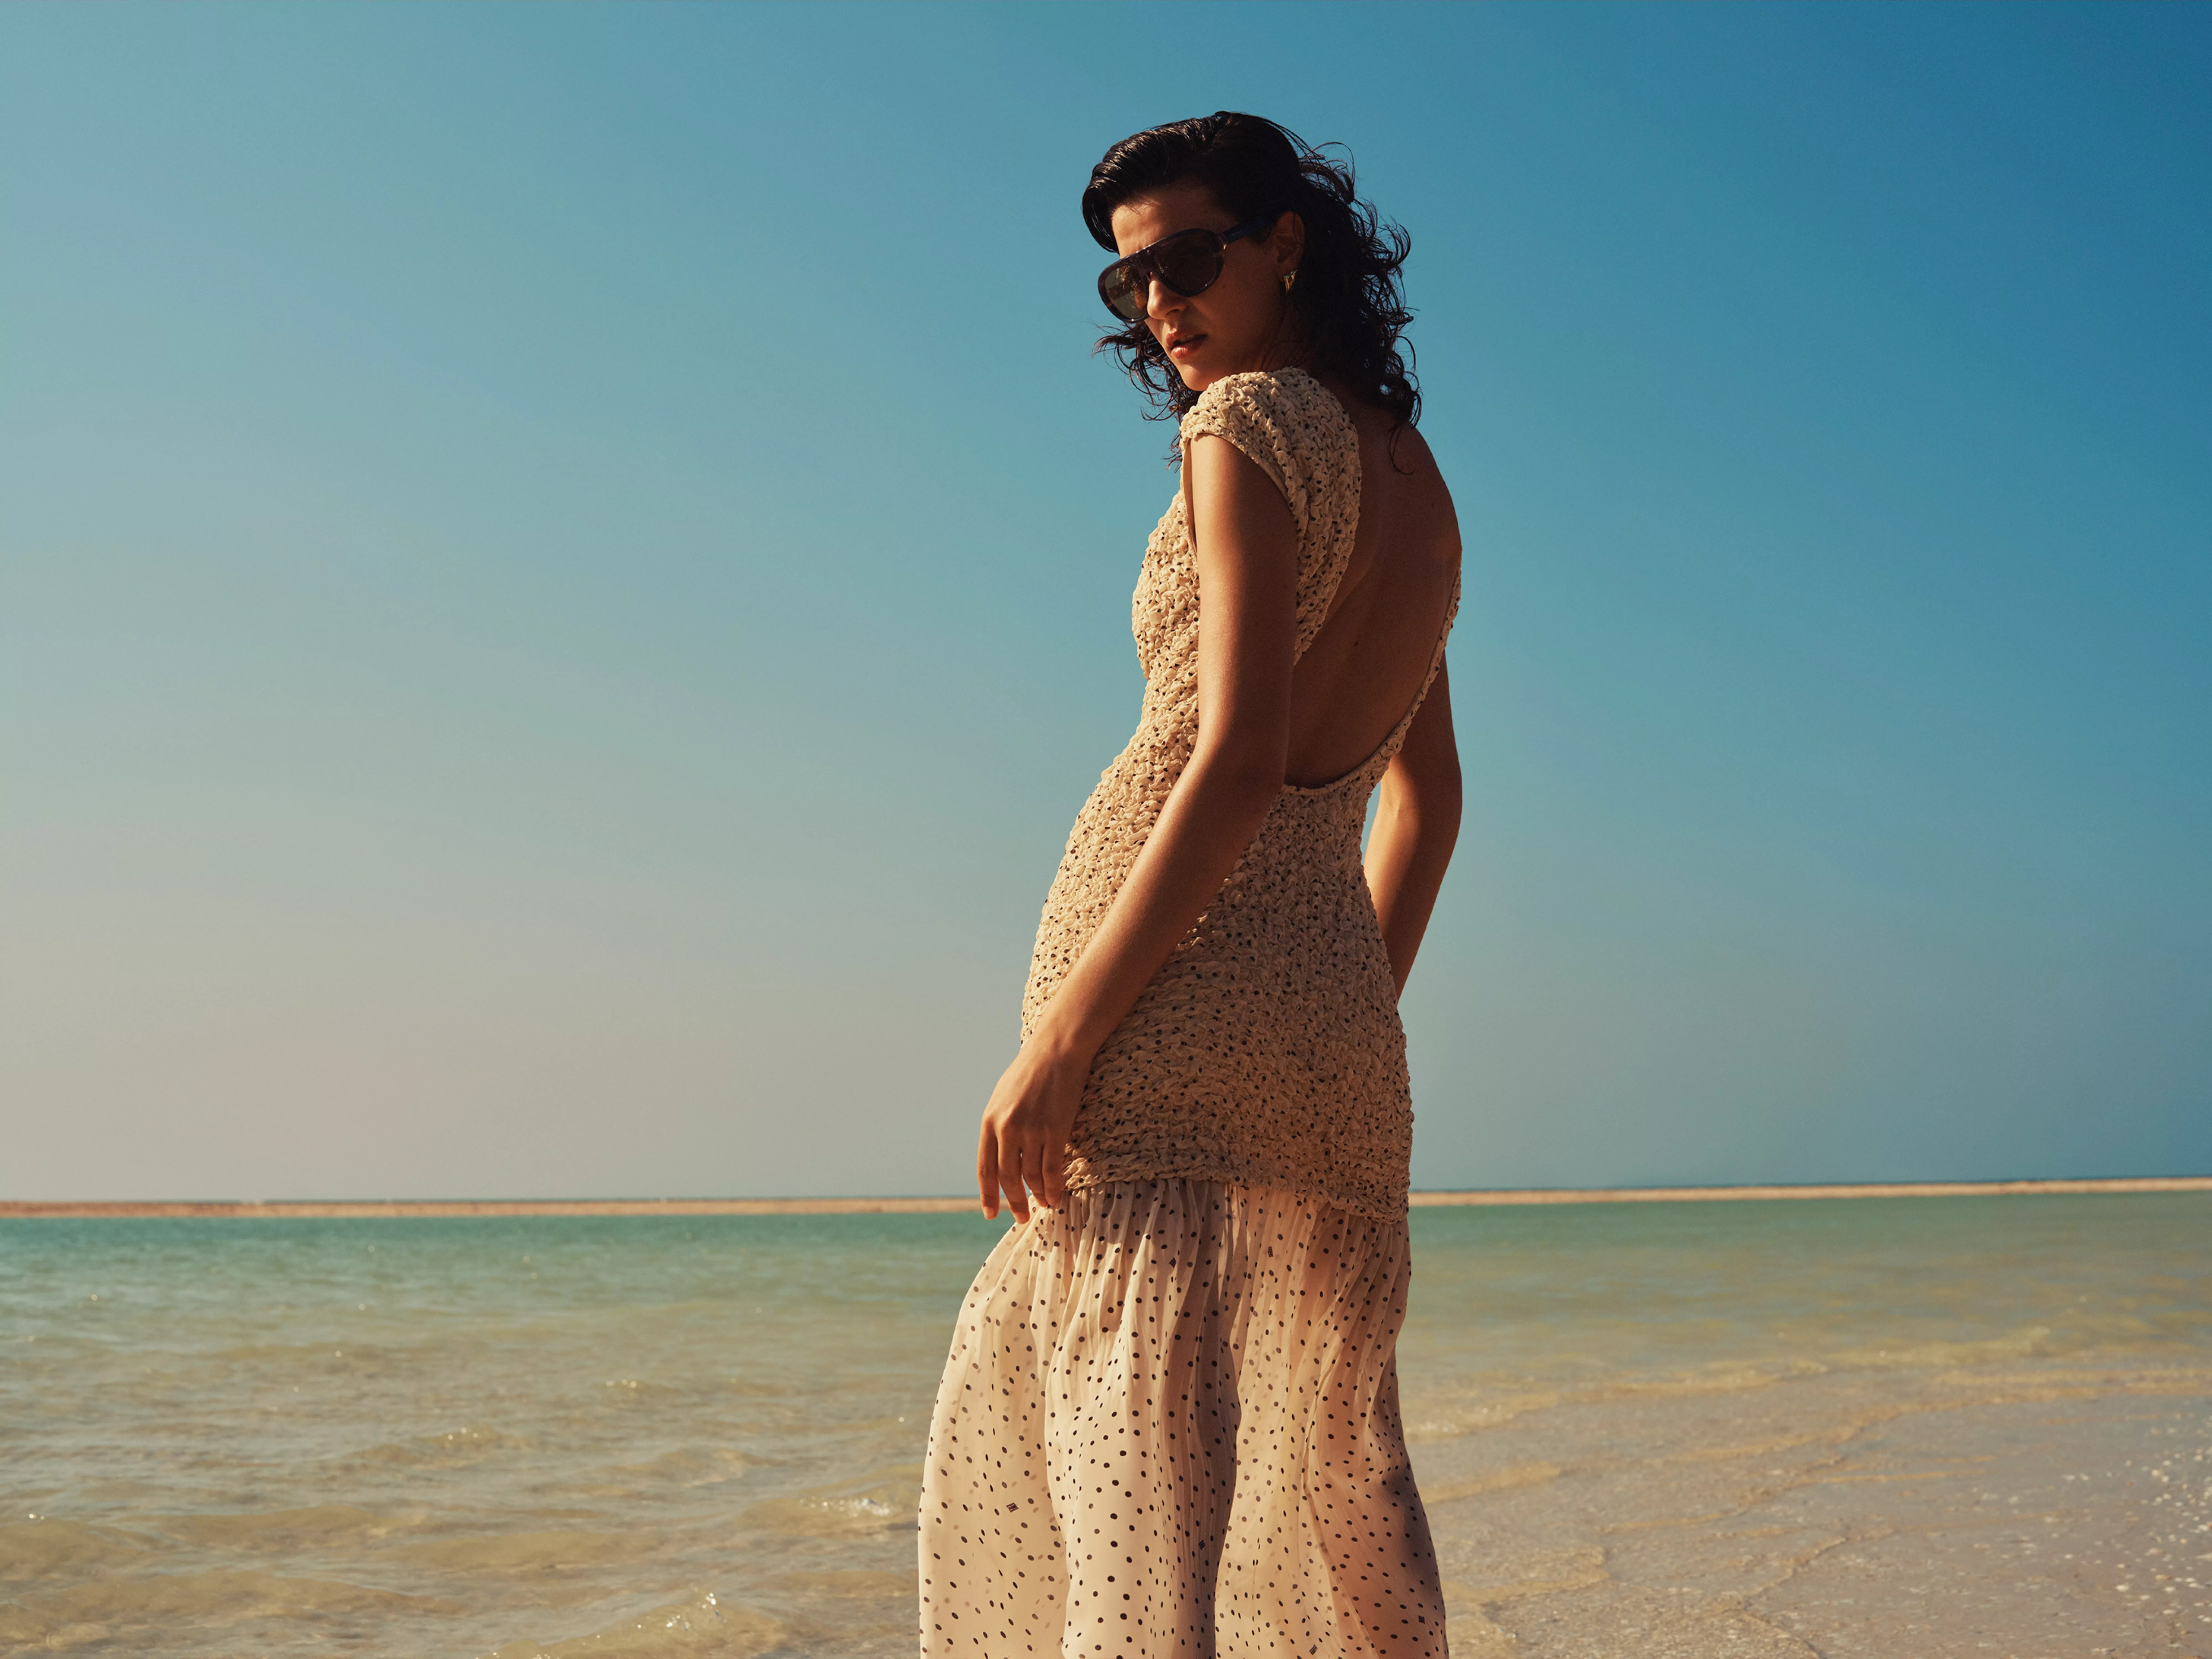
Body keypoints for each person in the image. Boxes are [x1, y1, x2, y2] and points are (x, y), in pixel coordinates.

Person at [919, 111, 1462, 1658]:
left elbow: (1235, 760)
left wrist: (1064, 1043)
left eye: (1189, 260)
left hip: (1161, 1016)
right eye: (1128, 285)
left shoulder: (1242, 432)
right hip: (1334, 1052)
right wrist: (1331, 991)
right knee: (1336, 1497)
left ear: (1288, 244)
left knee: (1136, 1509)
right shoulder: (1417, 481)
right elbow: (1431, 797)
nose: (1159, 305)